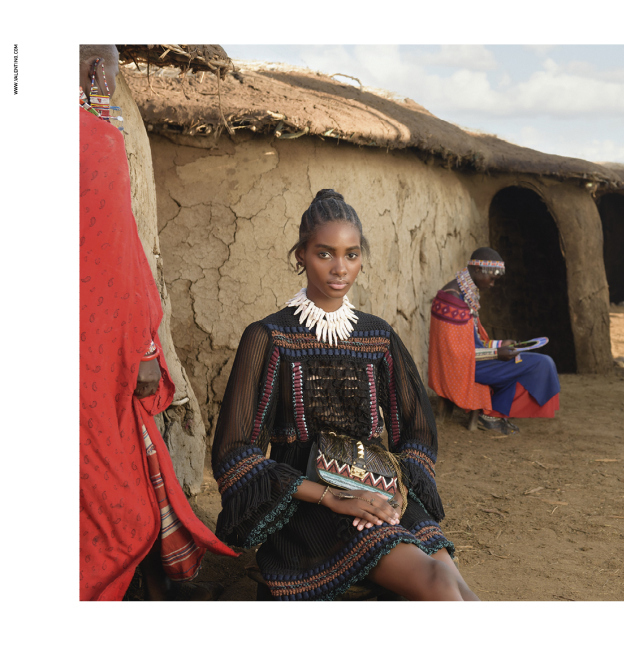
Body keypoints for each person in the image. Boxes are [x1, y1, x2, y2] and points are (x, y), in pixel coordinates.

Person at [211, 189, 477, 600]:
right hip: (310, 507)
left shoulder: (378, 336)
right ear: (300, 254)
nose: (340, 268)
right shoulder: (270, 338)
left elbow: (418, 431)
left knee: (450, 575)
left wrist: (394, 489)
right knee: (438, 582)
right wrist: (333, 496)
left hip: (379, 493)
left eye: (351, 255)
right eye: (325, 254)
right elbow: (235, 453)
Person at [79, 44, 235, 601]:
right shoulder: (94, 138)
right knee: (119, 508)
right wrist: (146, 346)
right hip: (96, 358)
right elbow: (117, 259)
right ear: (98, 73)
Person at [428, 248, 560, 435]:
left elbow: (471, 343)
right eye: (492, 278)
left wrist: (499, 345)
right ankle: (492, 415)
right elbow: (457, 355)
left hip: (472, 362)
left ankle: (493, 415)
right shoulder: (453, 301)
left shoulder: (462, 294)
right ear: (478, 270)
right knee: (541, 363)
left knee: (526, 359)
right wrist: (497, 354)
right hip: (463, 368)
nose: (492, 283)